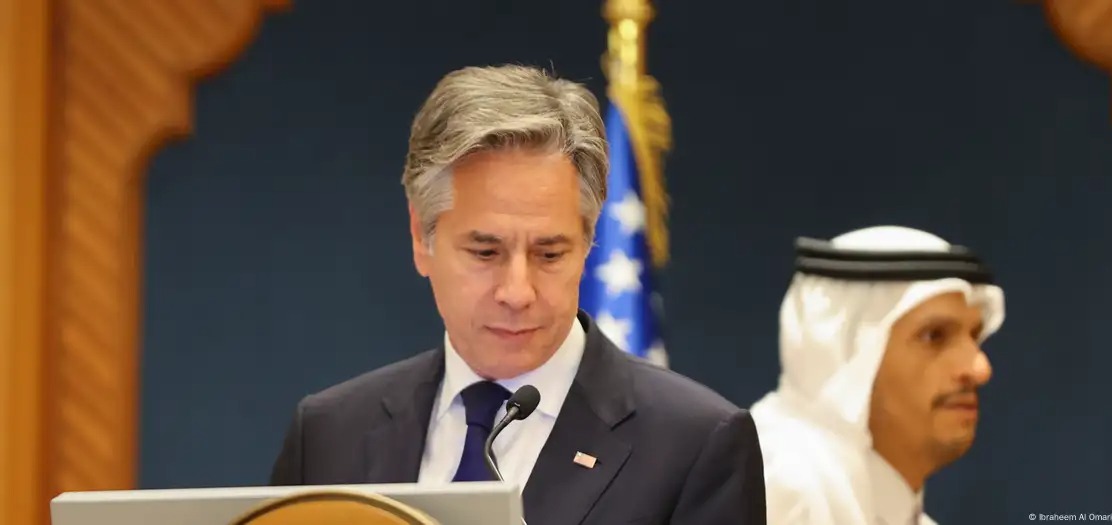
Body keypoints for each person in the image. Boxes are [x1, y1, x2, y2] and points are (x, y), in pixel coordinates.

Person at [268, 64, 767, 525]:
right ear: (422, 238)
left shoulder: (695, 446)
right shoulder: (329, 434)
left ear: (589, 243)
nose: (517, 292)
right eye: (485, 252)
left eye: (549, 254)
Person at [750, 225, 1005, 525]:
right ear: (846, 350)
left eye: (975, 335)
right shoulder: (782, 484)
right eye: (934, 336)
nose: (979, 369)